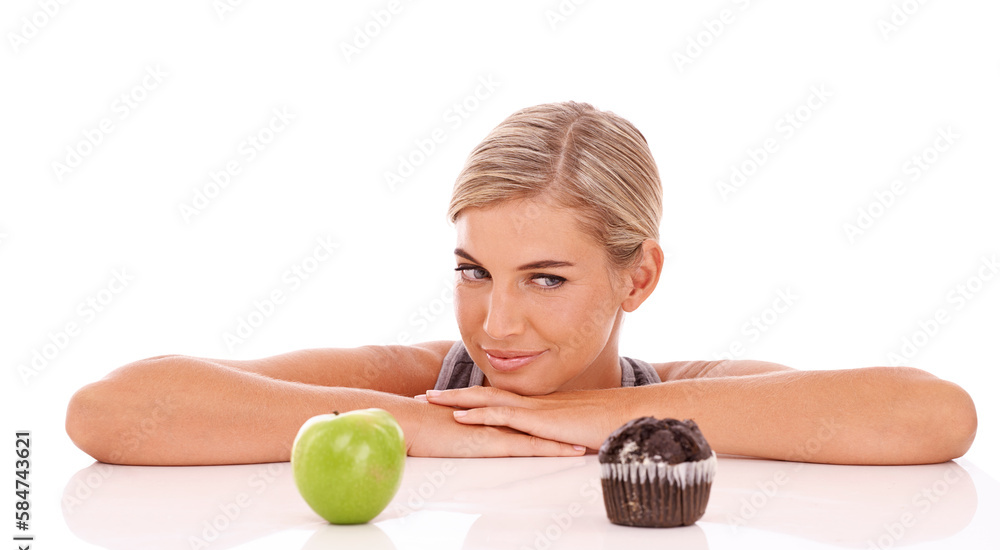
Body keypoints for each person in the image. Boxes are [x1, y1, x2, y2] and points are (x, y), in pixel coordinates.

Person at [65, 101, 977, 466]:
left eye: (545, 277)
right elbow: (108, 409)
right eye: (474, 271)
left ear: (639, 276)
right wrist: (412, 422)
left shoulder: (679, 389)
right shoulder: (422, 378)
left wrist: (609, 419)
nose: (494, 321)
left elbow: (936, 415)